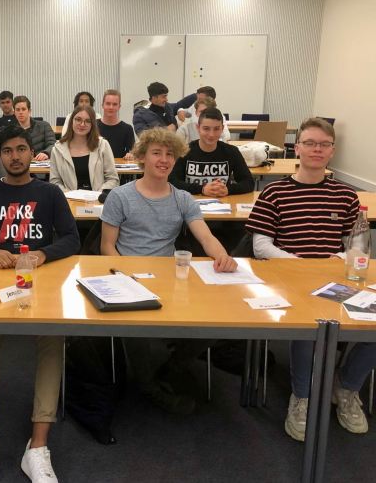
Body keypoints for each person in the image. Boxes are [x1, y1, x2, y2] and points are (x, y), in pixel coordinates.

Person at [0, 124, 80, 483]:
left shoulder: (49, 193)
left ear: (31, 153)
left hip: (39, 284)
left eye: (21, 149)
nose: (15, 157)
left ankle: (38, 446)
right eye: (8, 150)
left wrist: (43, 254)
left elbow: (72, 239)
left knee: (52, 340)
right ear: (0, 155)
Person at [245, 117, 375, 441]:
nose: (317, 149)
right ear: (297, 148)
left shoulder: (346, 195)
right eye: (310, 143)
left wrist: (336, 261)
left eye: (324, 144)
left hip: (335, 280)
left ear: (332, 151)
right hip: (288, 280)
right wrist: (302, 265)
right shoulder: (274, 192)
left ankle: (346, 388)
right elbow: (261, 246)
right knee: (310, 326)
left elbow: (358, 245)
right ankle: (302, 397)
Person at [100, 128, 237, 414]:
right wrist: (125, 277)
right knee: (134, 327)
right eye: (157, 153)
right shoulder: (120, 197)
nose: (164, 160)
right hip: (128, 276)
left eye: (170, 154)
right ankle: (149, 386)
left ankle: (171, 366)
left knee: (218, 320)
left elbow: (206, 237)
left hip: (169, 277)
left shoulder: (183, 198)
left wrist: (223, 255)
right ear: (142, 157)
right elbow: (107, 247)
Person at [170, 108, 253, 196]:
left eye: (216, 129)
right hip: (191, 201)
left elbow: (249, 182)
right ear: (198, 128)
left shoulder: (232, 151)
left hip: (222, 202)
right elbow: (172, 182)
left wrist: (228, 189)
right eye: (206, 129)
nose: (211, 134)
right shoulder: (185, 151)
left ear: (222, 129)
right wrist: (202, 189)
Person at [49, 106, 119, 192]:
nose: (82, 124)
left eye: (88, 121)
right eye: (78, 120)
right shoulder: (57, 149)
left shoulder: (102, 145)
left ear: (92, 124)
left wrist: (98, 194)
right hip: (68, 198)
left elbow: (113, 179)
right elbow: (54, 181)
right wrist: (68, 194)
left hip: (97, 197)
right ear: (71, 121)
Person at [12, 95, 55, 161]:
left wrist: (46, 153)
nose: (20, 112)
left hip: (41, 162)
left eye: (23, 109)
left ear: (29, 111)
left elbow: (53, 144)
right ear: (14, 112)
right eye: (18, 110)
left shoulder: (44, 126)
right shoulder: (11, 130)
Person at [97, 88, 135, 159]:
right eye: (108, 104)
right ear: (102, 105)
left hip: (119, 165)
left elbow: (132, 151)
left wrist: (130, 154)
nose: (111, 107)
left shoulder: (127, 129)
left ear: (119, 107)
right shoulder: (93, 126)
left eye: (114, 104)